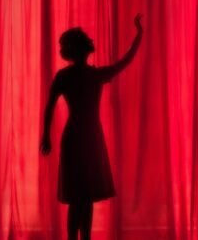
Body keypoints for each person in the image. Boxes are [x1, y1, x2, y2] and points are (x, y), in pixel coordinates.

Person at [41, 14, 143, 240]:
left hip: (83, 137)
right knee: (83, 197)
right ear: (84, 49)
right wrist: (138, 35)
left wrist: (45, 136)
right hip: (87, 137)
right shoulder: (90, 75)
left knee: (81, 197)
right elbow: (124, 63)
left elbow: (49, 107)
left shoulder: (68, 76)